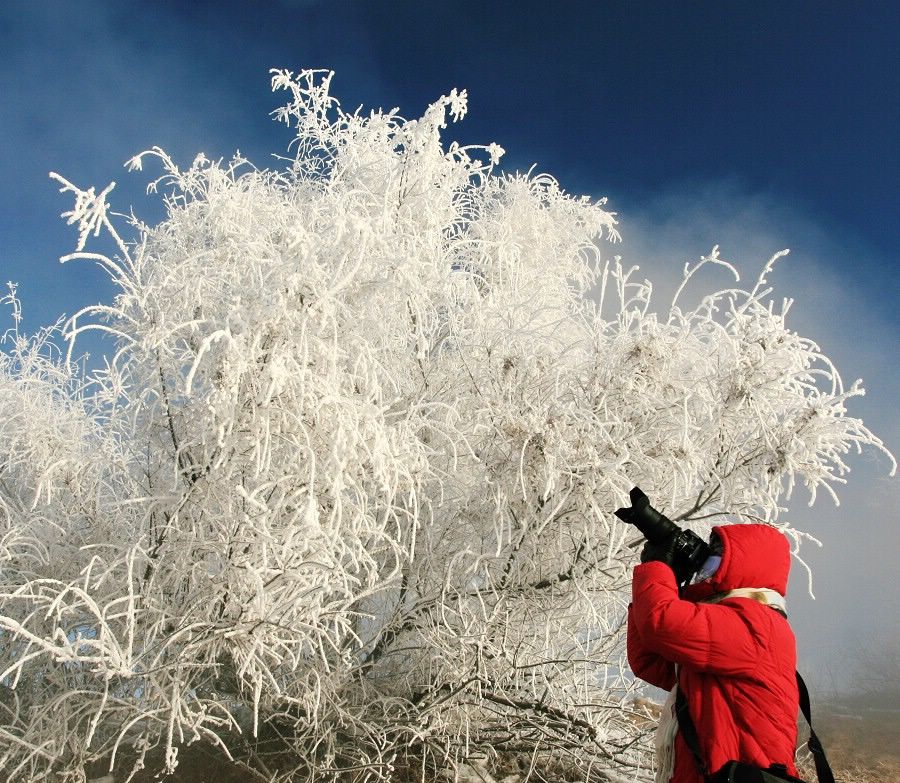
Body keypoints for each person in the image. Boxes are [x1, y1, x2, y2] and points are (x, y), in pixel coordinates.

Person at [627, 523, 800, 783]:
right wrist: (669, 582)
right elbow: (650, 661)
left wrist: (659, 569)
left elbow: (660, 623)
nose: (704, 572)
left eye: (714, 563)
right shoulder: (730, 630)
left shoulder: (757, 625)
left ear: (743, 569)